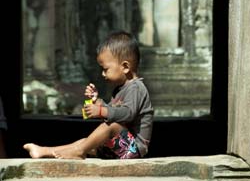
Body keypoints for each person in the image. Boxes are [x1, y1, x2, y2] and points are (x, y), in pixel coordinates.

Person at [23, 32, 153, 160]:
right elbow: (115, 113)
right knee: (86, 141)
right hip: (118, 147)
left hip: (133, 149)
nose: (103, 74)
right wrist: (98, 101)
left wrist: (101, 111)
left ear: (125, 67)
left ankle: (79, 152)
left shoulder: (136, 88)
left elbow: (127, 114)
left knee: (110, 126)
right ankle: (44, 151)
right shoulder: (121, 89)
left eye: (105, 69)